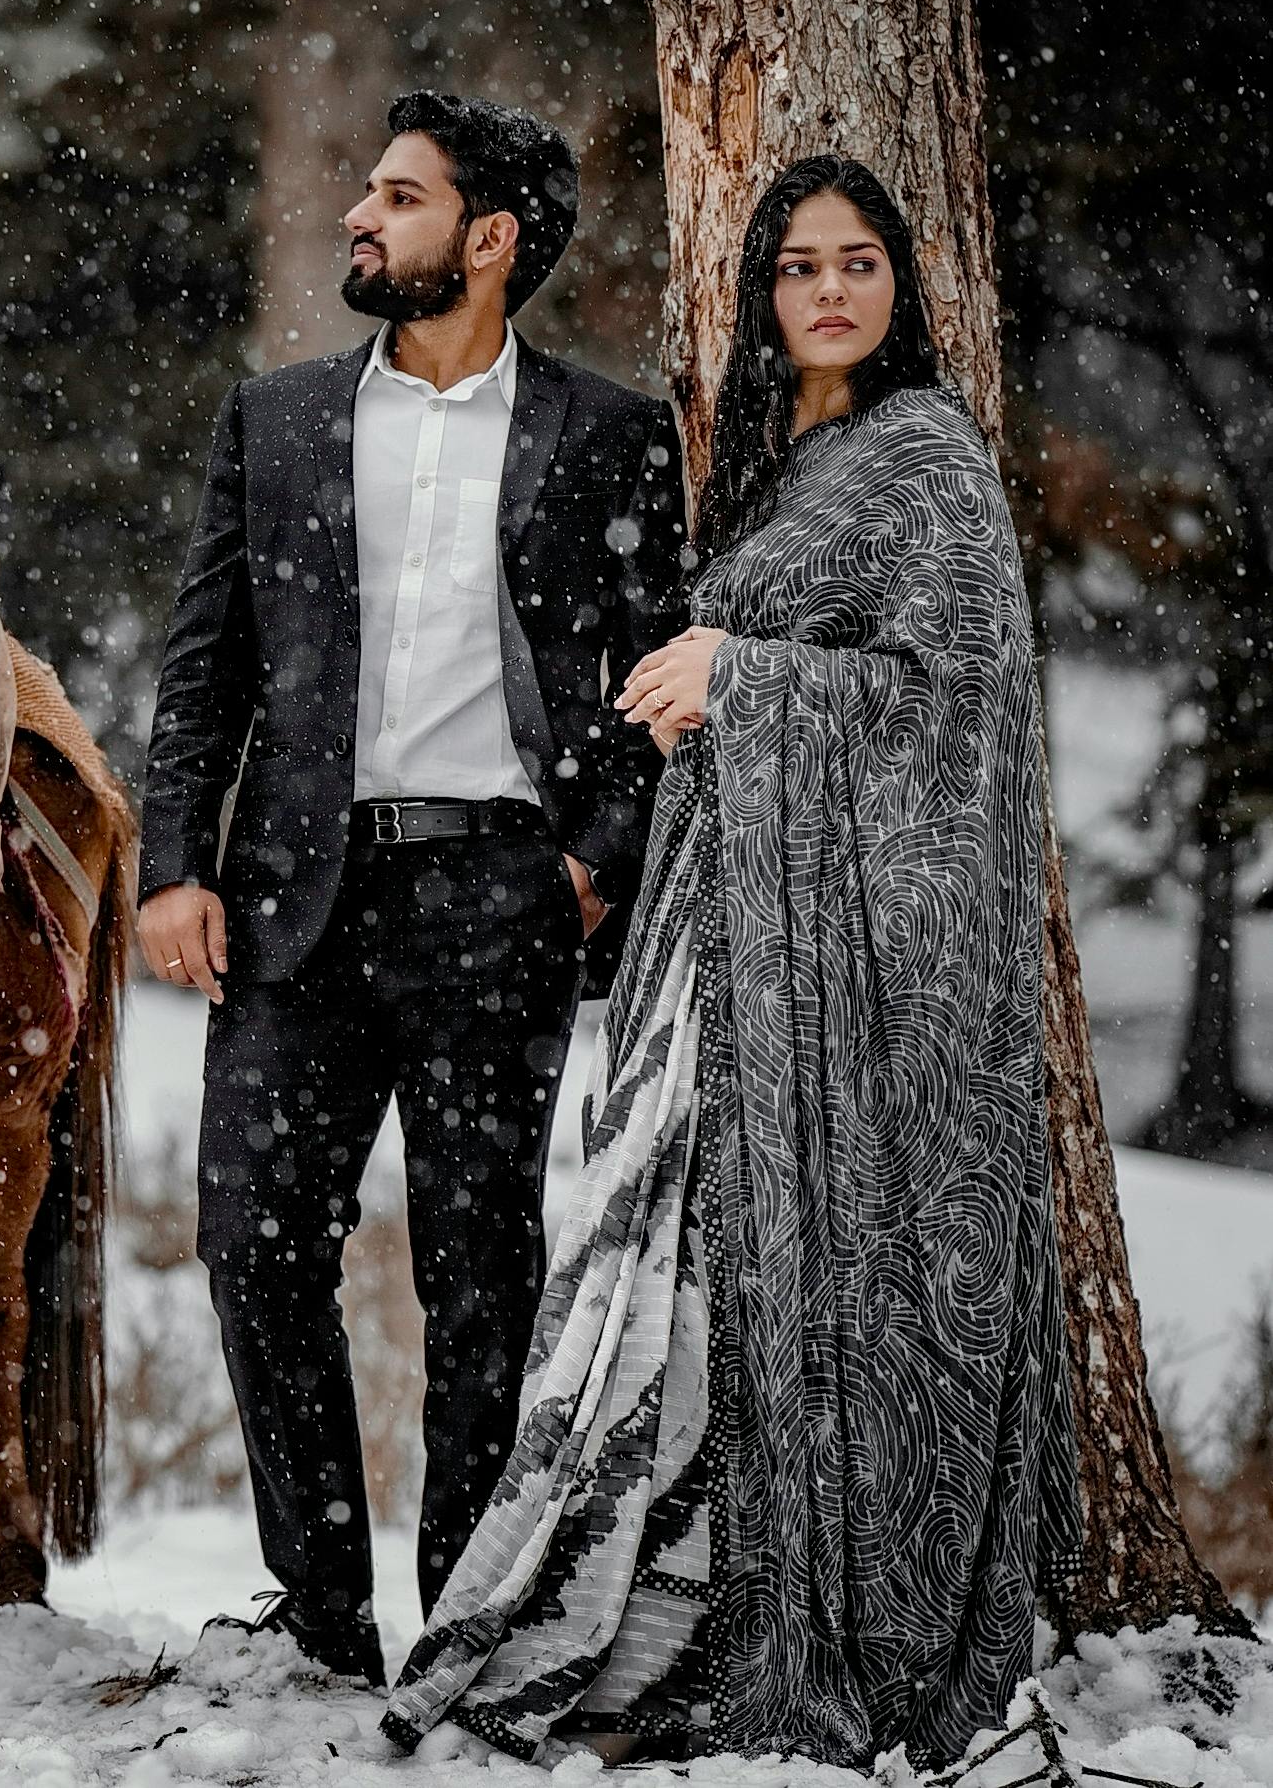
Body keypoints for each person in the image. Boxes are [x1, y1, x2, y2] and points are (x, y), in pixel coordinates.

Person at [377, 154, 1081, 1770]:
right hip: (736, 946)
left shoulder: (926, 463)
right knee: (705, 1302)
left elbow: (957, 712)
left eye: (858, 263)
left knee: (821, 1288)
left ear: (903, 287)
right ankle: (671, 1613)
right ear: (762, 295)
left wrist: (745, 677)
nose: (829, 291)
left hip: (857, 970)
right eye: (796, 268)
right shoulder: (772, 466)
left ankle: (819, 1614)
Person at [136, 90, 687, 1683]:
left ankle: (461, 1616)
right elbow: (206, 665)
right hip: (292, 908)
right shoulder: (282, 417)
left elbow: (652, 673)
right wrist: (174, 865)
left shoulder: (607, 431)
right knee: (253, 1244)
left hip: (497, 910)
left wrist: (598, 858)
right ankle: (319, 1617)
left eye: (401, 197)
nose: (362, 219)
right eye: (369, 193)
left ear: (490, 239)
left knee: (481, 1277)